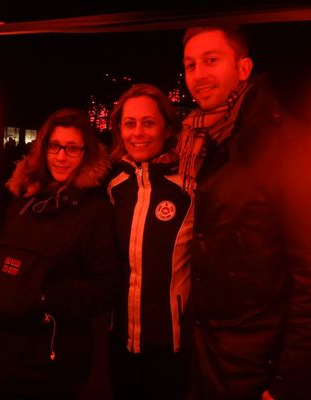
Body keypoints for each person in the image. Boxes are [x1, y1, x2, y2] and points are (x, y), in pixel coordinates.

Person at [179, 25, 311, 400]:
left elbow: (310, 273)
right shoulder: (207, 140)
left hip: (257, 366)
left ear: (243, 69)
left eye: (211, 60)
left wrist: (287, 383)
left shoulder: (286, 145)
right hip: (209, 351)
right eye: (191, 64)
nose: (198, 74)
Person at [0, 107, 119, 400]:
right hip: (1, 354)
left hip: (52, 360)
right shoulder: (23, 198)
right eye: (54, 146)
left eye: (72, 148)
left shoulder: (95, 211)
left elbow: (104, 286)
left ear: (85, 154)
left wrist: (43, 297)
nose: (61, 156)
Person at [106, 83, 194, 400]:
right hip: (120, 340)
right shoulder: (115, 186)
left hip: (172, 346)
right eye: (130, 123)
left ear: (167, 127)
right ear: (119, 129)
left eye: (148, 122)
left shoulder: (189, 187)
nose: (138, 133)